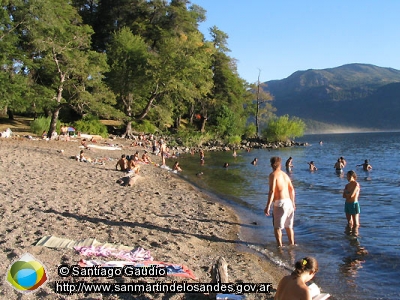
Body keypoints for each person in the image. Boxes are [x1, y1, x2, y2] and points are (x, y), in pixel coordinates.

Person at [264, 157, 296, 247]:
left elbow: (272, 191)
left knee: (277, 227)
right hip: (289, 202)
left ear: (272, 165)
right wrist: (293, 203)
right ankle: (292, 245)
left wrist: (268, 206)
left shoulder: (273, 175)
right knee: (289, 227)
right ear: (280, 165)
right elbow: (292, 190)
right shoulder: (285, 175)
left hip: (280, 203)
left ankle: (280, 247)